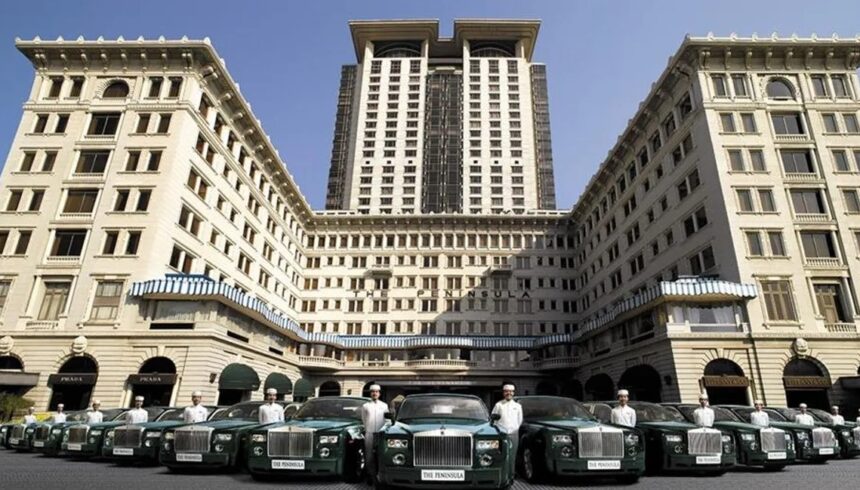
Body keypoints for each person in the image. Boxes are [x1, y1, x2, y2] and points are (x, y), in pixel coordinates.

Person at [360, 384, 389, 481]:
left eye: (376, 392)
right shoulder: (365, 406)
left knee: (381, 455)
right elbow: (364, 419)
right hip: (369, 433)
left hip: (381, 434)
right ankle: (370, 476)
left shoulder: (384, 405)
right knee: (369, 456)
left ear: (379, 393)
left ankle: (380, 476)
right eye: (373, 392)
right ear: (370, 393)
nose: (374, 393)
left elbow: (387, 420)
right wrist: (368, 429)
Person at [492, 384, 523, 460]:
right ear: (503, 393)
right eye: (506, 391)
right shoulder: (498, 405)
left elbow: (520, 420)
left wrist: (514, 429)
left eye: (511, 391)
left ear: (513, 393)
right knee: (501, 455)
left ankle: (511, 472)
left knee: (513, 455)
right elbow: (493, 420)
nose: (508, 393)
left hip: (514, 434)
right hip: (501, 434)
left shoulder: (518, 406)